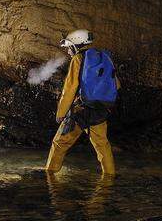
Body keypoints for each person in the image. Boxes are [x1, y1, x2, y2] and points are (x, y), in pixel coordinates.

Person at [45, 29, 117, 175]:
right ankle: (110, 177)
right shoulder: (104, 57)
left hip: (80, 111)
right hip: (100, 110)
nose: (67, 51)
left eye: (69, 47)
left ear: (75, 45)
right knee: (102, 146)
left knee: (60, 143)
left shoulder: (78, 59)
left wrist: (61, 113)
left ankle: (49, 176)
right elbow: (116, 84)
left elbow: (70, 89)